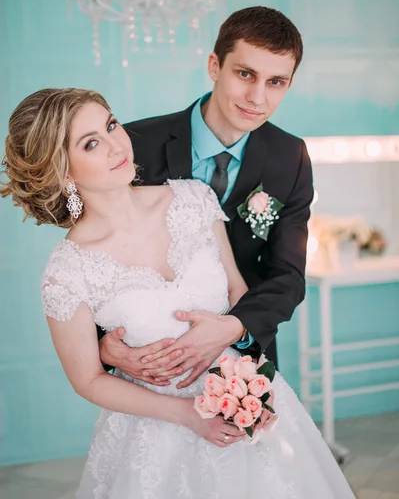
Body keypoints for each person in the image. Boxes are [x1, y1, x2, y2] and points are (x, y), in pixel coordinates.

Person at [1, 88, 355, 498]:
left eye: (111, 124)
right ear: (63, 171)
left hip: (244, 400)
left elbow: (238, 289)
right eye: (91, 143)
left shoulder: (193, 198)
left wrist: (244, 382)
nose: (117, 143)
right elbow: (89, 380)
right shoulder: (66, 271)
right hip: (154, 432)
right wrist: (187, 414)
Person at [99, 6, 313, 390]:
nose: (257, 97)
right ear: (215, 65)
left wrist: (232, 328)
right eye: (245, 74)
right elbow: (94, 259)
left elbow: (288, 276)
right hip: (147, 357)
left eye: (276, 82)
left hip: (243, 359)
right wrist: (103, 345)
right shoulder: (134, 145)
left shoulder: (290, 157)